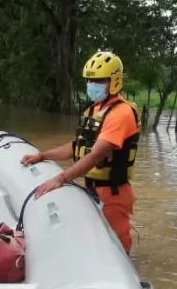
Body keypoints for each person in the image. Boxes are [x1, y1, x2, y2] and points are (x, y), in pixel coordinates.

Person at [22, 51, 140, 255]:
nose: (92, 85)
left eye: (99, 81)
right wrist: (42, 156)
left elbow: (95, 155)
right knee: (97, 242)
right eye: (89, 80)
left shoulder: (121, 114)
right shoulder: (95, 110)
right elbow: (78, 147)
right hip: (94, 188)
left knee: (118, 248)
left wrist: (61, 178)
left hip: (112, 192)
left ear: (114, 81)